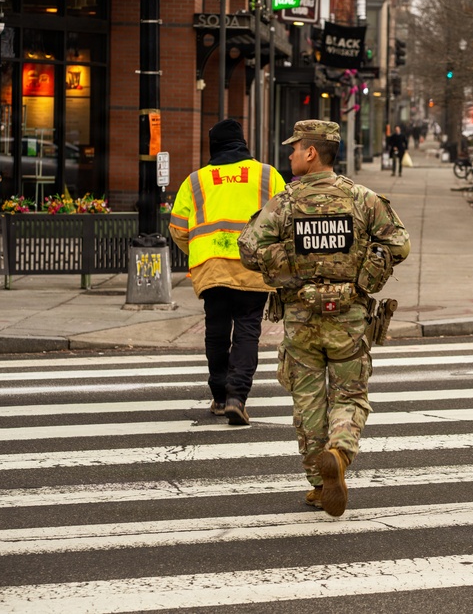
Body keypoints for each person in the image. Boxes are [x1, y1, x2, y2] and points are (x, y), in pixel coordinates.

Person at [238, 120, 410, 517]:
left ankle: (319, 484)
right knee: (349, 395)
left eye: (295, 148)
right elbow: (398, 243)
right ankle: (340, 452)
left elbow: (249, 249)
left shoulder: (284, 202)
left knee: (308, 401)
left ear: (311, 153)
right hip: (350, 315)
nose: (290, 154)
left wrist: (292, 265)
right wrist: (364, 275)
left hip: (300, 315)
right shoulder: (362, 198)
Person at [169, 118, 286, 425]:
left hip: (212, 268)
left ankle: (220, 397)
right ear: (242, 143)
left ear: (214, 146)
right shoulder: (267, 175)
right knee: (248, 330)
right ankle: (237, 397)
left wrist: (201, 252)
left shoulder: (196, 181)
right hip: (253, 266)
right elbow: (286, 217)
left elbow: (178, 229)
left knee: (216, 331)